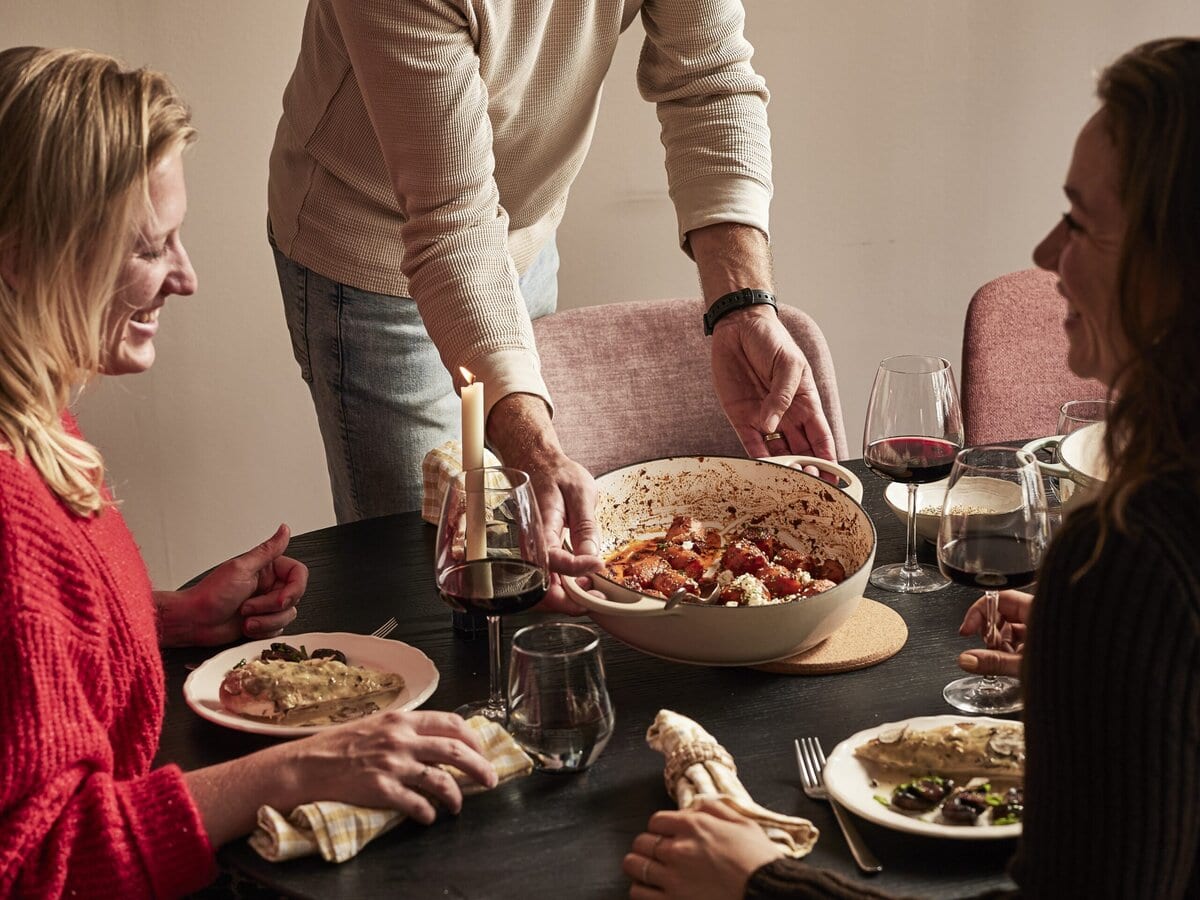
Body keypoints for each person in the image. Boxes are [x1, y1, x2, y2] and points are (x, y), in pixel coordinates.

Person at [623, 36, 1200, 899]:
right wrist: (1131, 664)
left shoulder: (1132, 555)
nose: (1045, 253)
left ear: (1170, 269)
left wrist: (759, 886)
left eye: (1079, 220)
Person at [0, 46, 497, 897]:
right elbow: (37, 864)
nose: (186, 278)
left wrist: (166, 621)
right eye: (149, 248)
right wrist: (304, 766)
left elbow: (30, 668)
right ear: (26, 253)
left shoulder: (35, 420)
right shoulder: (11, 515)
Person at [267, 1, 839, 602]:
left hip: (521, 233)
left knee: (529, 558)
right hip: (375, 254)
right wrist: (532, 447)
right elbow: (451, 223)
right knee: (427, 580)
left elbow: (711, 84)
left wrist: (741, 305)